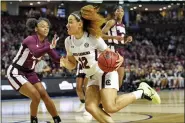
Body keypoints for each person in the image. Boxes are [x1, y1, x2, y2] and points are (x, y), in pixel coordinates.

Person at [60, 5, 161, 122]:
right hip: (92, 76)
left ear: (80, 24)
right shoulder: (68, 41)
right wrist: (65, 63)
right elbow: (72, 64)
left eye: (70, 22)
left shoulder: (93, 38)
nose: (67, 25)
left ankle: (142, 92)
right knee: (90, 107)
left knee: (110, 107)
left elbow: (109, 54)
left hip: (105, 72)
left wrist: (120, 58)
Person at [6, 17, 62, 123]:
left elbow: (57, 59)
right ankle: (33, 120)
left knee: (44, 94)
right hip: (16, 71)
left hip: (30, 72)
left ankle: (57, 120)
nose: (46, 29)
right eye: (42, 26)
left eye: (47, 27)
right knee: (36, 96)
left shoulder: (46, 44)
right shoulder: (30, 39)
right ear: (36, 29)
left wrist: (73, 56)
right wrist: (50, 47)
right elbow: (36, 52)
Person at [102, 5, 133, 88]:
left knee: (120, 79)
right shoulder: (111, 22)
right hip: (111, 49)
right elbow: (100, 35)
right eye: (118, 10)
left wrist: (127, 40)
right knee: (110, 76)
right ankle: (106, 97)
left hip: (121, 50)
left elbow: (121, 40)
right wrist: (113, 37)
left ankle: (113, 97)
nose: (120, 12)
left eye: (122, 11)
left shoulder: (123, 25)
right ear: (114, 13)